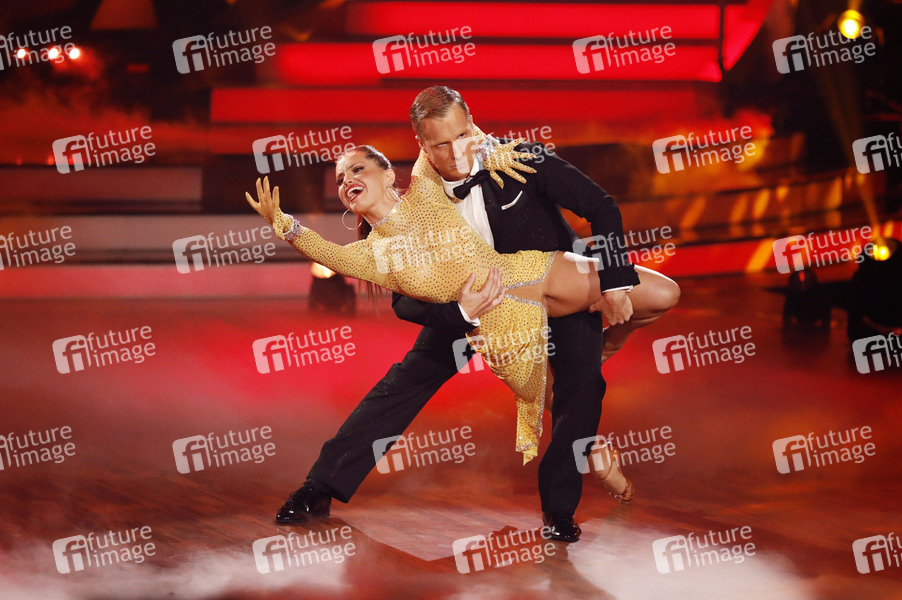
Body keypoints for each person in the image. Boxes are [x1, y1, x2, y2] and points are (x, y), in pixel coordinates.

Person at [246, 87, 678, 542]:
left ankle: (558, 512)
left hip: (547, 281)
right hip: (467, 312)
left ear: (472, 127)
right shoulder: (412, 204)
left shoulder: (514, 159)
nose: (454, 153)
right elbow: (403, 301)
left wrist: (613, 284)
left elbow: (600, 206)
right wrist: (464, 311)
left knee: (581, 385)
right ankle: (318, 487)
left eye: (462, 136)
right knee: (403, 386)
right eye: (440, 144)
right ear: (422, 146)